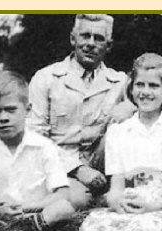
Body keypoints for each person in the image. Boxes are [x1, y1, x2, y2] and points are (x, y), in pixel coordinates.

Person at [80, 53, 162, 231]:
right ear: (131, 88)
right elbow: (116, 188)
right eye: (140, 85)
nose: (145, 92)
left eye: (154, 86)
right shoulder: (118, 132)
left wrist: (153, 206)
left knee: (150, 230)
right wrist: (119, 203)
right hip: (132, 204)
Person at [28, 14, 136, 207]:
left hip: (103, 165)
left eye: (99, 38)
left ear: (108, 46)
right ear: (73, 39)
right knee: (77, 198)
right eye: (85, 36)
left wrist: (131, 106)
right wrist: (77, 169)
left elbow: (150, 104)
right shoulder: (46, 78)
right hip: (58, 164)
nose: (90, 44)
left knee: (123, 125)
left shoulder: (120, 82)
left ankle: (106, 193)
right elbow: (35, 137)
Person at [0, 71, 75, 231]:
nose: (4, 118)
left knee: (63, 208)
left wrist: (26, 207)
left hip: (32, 213)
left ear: (28, 110)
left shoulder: (43, 146)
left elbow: (63, 194)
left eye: (11, 110)